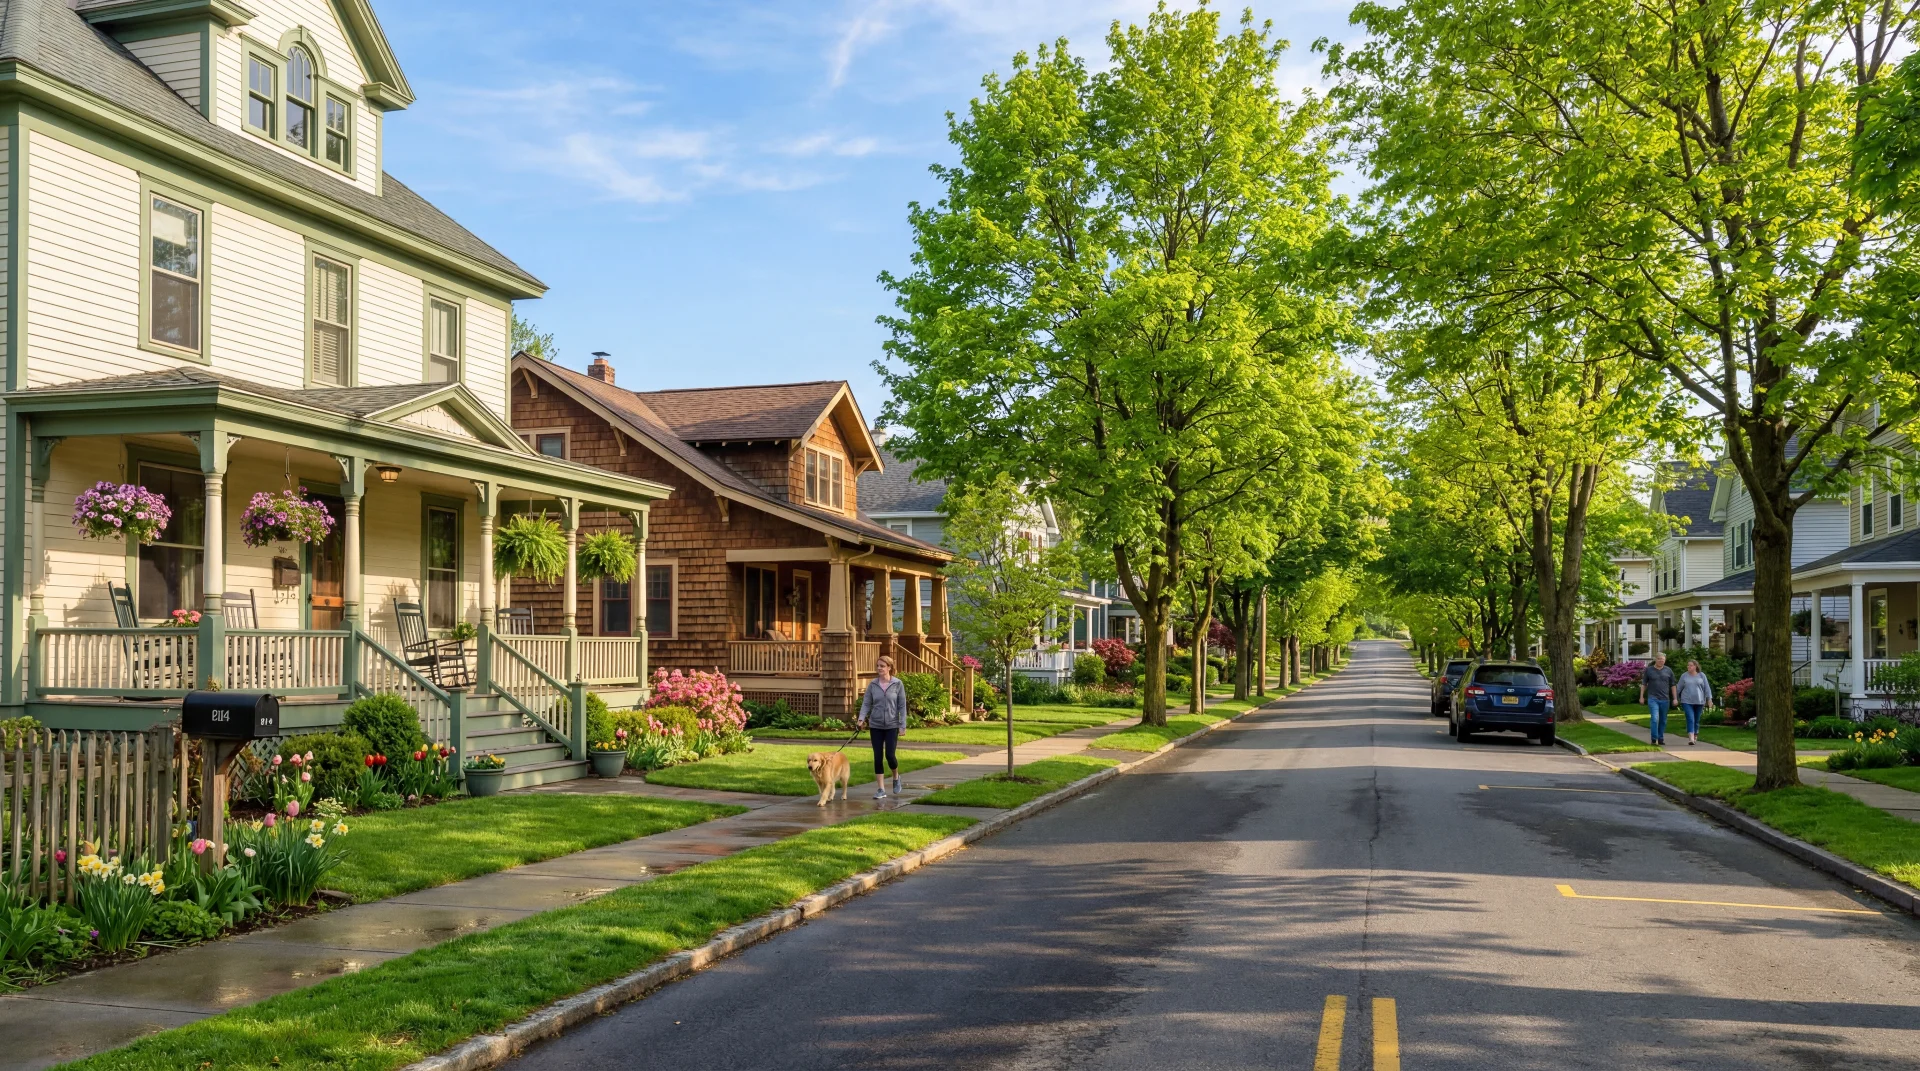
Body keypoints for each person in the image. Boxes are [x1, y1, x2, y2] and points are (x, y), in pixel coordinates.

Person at [859, 655, 908, 799]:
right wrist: (861, 719)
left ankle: (896, 777)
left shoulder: (898, 684)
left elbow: (902, 706)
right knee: (878, 756)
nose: (879, 668)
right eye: (878, 666)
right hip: (876, 725)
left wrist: (902, 725)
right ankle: (881, 789)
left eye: (882, 666)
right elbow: (867, 703)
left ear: (889, 668)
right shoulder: (873, 684)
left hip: (892, 725)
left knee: (890, 756)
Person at [1640, 652, 1676, 746]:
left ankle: (1660, 738)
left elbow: (1673, 685)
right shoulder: (1649, 670)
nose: (1661, 661)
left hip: (1665, 699)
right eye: (1659, 659)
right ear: (1656, 659)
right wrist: (1641, 696)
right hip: (1653, 698)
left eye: (1663, 659)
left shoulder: (1668, 670)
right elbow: (1644, 684)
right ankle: (1654, 738)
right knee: (1655, 718)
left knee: (1663, 720)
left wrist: (1675, 698)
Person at [1676, 659, 1713, 745]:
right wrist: (1675, 698)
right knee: (1690, 718)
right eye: (1688, 665)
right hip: (1686, 701)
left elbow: (1707, 688)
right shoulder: (1684, 676)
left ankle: (1695, 733)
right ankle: (1691, 738)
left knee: (1696, 720)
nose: (1689, 667)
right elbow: (1678, 688)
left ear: (1695, 666)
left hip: (1699, 701)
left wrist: (1709, 699)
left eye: (1691, 665)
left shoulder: (1701, 675)